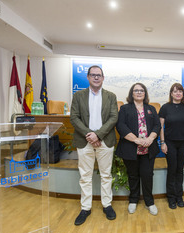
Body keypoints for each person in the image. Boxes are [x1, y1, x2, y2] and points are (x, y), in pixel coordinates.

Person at [70, 65, 118, 225]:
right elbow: (74, 118)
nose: (96, 77)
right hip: (85, 141)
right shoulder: (78, 95)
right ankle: (85, 208)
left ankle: (107, 205)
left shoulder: (111, 96)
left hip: (105, 141)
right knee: (85, 176)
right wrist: (90, 135)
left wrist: (98, 134)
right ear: (88, 77)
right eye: (93, 75)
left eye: (99, 75)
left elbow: (113, 117)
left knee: (106, 175)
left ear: (103, 78)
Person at [116, 83, 161, 216]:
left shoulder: (151, 108)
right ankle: (133, 200)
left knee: (147, 175)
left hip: (148, 148)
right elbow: (121, 126)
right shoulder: (124, 108)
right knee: (133, 175)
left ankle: (149, 202)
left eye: (142, 90)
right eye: (136, 90)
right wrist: (136, 140)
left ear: (145, 93)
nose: (139, 92)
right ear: (132, 93)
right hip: (131, 147)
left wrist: (150, 139)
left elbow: (157, 126)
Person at [159, 83, 184, 209]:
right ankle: (171, 198)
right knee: (172, 170)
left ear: (183, 94)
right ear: (171, 93)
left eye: (180, 91)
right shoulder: (165, 108)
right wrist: (163, 143)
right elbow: (161, 127)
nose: (178, 93)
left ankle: (179, 196)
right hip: (170, 143)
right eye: (175, 91)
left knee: (180, 170)